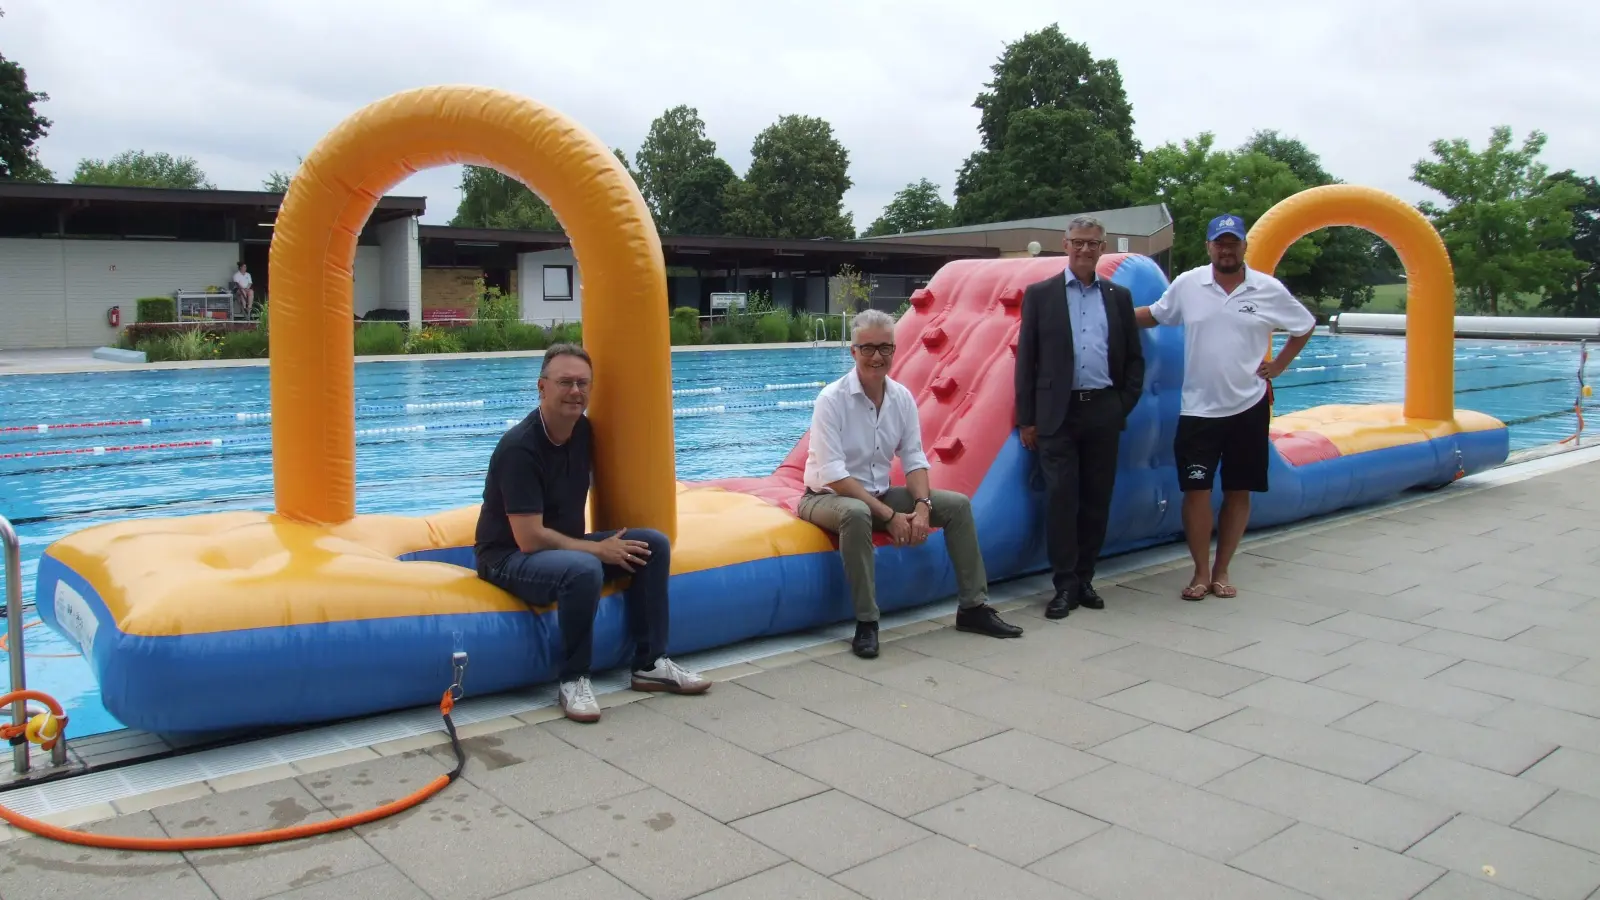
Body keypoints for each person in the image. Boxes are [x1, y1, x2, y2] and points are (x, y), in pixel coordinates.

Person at [474, 343, 710, 723]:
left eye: (583, 383)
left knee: (652, 544)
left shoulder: (582, 431)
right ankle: (573, 679)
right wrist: (596, 551)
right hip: (506, 557)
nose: (575, 391)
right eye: (565, 382)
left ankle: (650, 663)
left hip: (561, 550)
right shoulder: (520, 448)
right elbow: (529, 538)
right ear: (542, 387)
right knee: (584, 569)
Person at [798, 309, 1024, 659]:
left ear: (895, 350)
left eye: (885, 348)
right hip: (825, 498)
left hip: (878, 494)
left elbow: (916, 460)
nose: (877, 356)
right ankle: (867, 623)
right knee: (856, 514)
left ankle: (973, 608)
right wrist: (889, 516)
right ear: (853, 352)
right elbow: (833, 475)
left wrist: (922, 508)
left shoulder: (901, 398)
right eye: (868, 348)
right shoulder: (832, 399)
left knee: (958, 506)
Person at [1135, 214, 1316, 600]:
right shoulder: (1189, 284)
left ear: (1244, 247)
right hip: (1199, 409)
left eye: (1233, 242)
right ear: (1209, 247)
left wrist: (1280, 364)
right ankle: (1200, 572)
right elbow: (1155, 314)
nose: (1227, 249)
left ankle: (1222, 570)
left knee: (1238, 491)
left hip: (1248, 406)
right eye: (1220, 242)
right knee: (1196, 491)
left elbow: (1303, 325)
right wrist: (1106, 313)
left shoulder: (1267, 289)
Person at [1015, 215, 1145, 619]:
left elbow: (1134, 360)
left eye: (1093, 243)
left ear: (1103, 248)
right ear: (1065, 245)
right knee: (1060, 500)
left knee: (1095, 500)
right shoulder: (1040, 295)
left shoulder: (1118, 297)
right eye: (1078, 242)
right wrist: (1027, 419)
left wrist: (1121, 404)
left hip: (1103, 410)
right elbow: (1027, 360)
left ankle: (1086, 578)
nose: (1085, 249)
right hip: (1057, 414)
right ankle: (1064, 584)